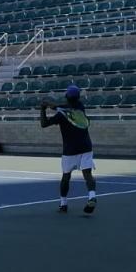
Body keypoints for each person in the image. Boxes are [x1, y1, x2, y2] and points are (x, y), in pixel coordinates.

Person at [40, 85, 97, 214]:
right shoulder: (80, 107)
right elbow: (61, 106)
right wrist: (52, 105)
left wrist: (43, 109)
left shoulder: (61, 114)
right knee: (87, 174)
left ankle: (63, 204)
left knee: (66, 177)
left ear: (66, 97)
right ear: (78, 98)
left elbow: (44, 124)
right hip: (86, 146)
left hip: (70, 150)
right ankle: (92, 196)